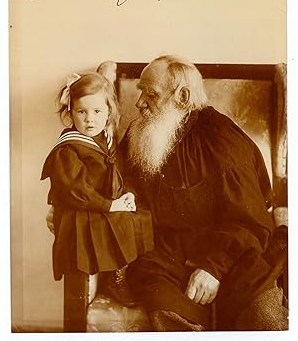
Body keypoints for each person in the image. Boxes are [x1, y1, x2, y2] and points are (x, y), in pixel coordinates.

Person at [119, 55, 288, 330]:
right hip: (167, 256)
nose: (139, 103)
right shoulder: (139, 133)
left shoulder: (222, 139)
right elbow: (117, 182)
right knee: (159, 300)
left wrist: (213, 268)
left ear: (183, 96)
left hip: (233, 254)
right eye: (141, 92)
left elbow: (250, 220)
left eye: (150, 93)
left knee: (263, 317)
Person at [41, 71, 154, 307]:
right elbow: (74, 189)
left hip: (102, 204)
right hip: (80, 209)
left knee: (140, 217)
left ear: (109, 112)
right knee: (118, 221)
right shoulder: (69, 149)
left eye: (97, 112)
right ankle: (115, 277)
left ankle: (129, 272)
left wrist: (127, 195)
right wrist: (110, 205)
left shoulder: (107, 138)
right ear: (70, 113)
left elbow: (120, 173)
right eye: (81, 112)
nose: (89, 120)